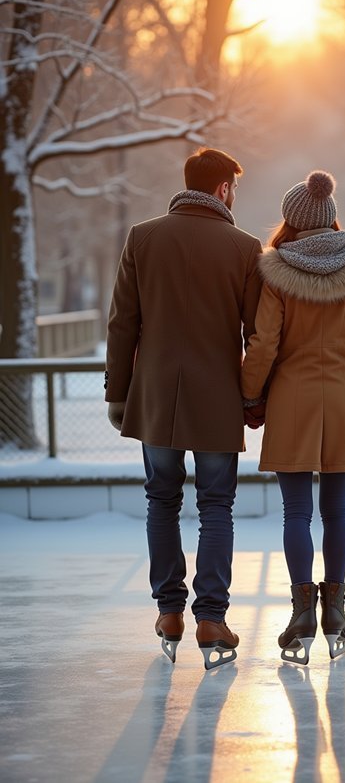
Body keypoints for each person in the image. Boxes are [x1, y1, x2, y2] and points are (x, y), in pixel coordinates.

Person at [105, 147, 263, 669]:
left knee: (161, 499)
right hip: (216, 395)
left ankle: (169, 611)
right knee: (217, 504)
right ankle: (212, 618)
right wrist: (253, 395)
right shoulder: (243, 247)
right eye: (233, 188)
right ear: (222, 189)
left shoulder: (143, 237)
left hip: (155, 397)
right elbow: (255, 333)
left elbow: (123, 322)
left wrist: (118, 392)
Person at [240, 170, 345, 665]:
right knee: (337, 513)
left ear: (290, 221)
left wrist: (250, 397)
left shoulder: (277, 273)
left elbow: (264, 344)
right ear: (331, 218)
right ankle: (337, 613)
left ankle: (302, 612)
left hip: (292, 399)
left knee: (296, 513)